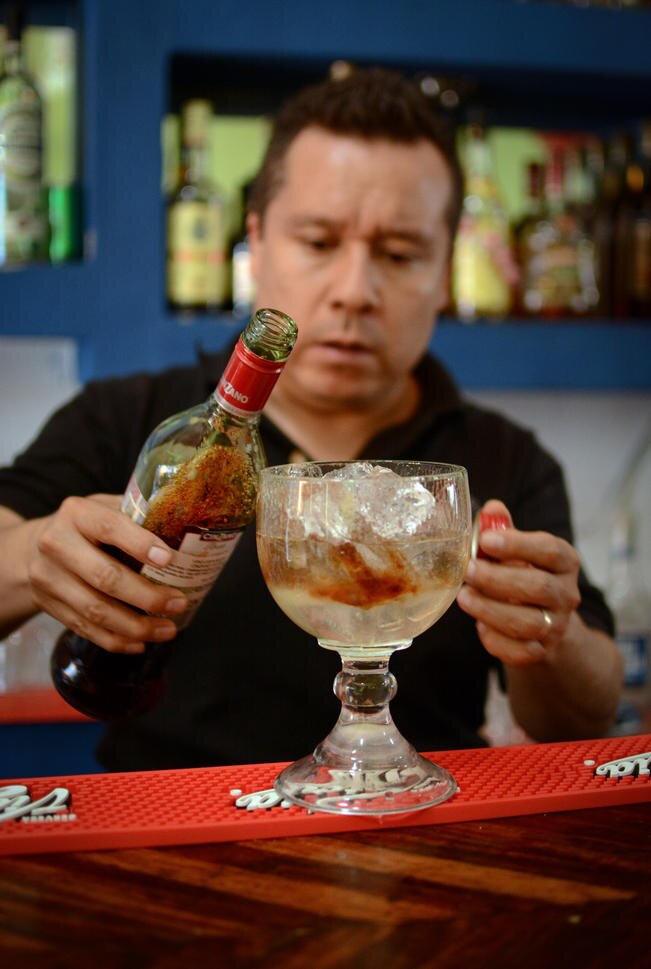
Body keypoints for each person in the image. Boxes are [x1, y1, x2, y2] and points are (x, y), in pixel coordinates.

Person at [0, 67, 621, 770]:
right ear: (257, 243)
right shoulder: (138, 423)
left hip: (422, 840)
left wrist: (550, 633)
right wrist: (31, 558)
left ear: (445, 269)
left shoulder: (498, 460)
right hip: (177, 842)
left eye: (398, 253)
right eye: (319, 242)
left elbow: (583, 718)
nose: (354, 292)